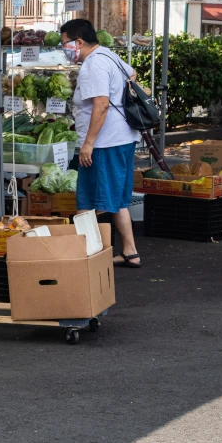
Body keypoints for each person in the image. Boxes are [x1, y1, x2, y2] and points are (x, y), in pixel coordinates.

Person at [59, 18, 141, 268]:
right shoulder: (108, 55)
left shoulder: (93, 66)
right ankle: (130, 251)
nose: (64, 49)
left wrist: (88, 144)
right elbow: (132, 74)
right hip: (123, 137)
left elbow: (101, 104)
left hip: (104, 143)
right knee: (116, 199)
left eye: (65, 44)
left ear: (79, 41)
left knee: (88, 199)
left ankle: (86, 254)